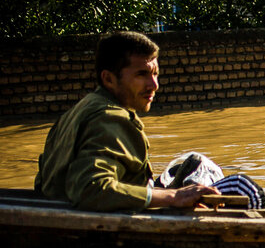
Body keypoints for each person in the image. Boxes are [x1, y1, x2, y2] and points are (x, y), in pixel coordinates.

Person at [35, 31, 220, 211]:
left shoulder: (77, 111)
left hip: (59, 211)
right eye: (142, 74)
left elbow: (43, 181)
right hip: (99, 227)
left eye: (155, 74)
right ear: (109, 79)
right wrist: (173, 197)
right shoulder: (111, 117)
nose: (154, 85)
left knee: (196, 163)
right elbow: (91, 189)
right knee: (235, 183)